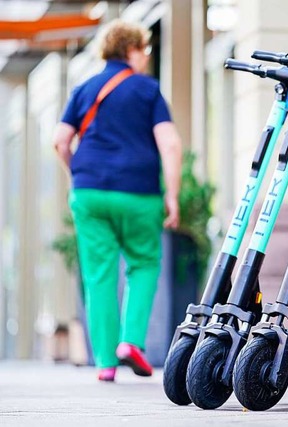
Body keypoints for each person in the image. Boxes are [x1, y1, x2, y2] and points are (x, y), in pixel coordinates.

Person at [52, 20, 182, 382]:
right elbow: (169, 144)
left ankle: (106, 363)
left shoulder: (83, 89)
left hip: (90, 192)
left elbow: (60, 141)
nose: (146, 58)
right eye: (145, 50)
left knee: (99, 276)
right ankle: (131, 342)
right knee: (143, 263)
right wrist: (172, 195)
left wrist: (76, 177)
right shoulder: (147, 90)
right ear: (131, 50)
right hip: (138, 193)